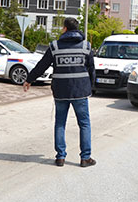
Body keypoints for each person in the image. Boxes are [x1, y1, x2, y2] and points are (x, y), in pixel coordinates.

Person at [23, 17, 96, 168]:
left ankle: (60, 157)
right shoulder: (86, 46)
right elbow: (91, 69)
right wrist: (91, 87)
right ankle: (85, 158)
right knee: (84, 124)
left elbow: (42, 65)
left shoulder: (55, 46)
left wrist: (29, 79)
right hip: (80, 91)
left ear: (65, 29)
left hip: (60, 91)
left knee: (60, 123)